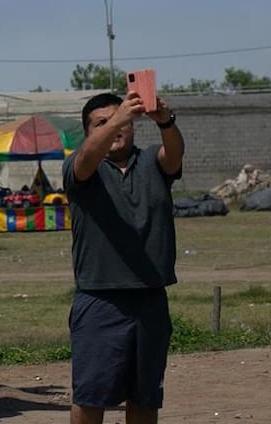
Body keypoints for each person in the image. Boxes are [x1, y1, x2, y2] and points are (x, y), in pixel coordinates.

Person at [63, 91, 185, 424]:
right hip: (100, 299)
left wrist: (166, 122)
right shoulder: (81, 166)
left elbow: (173, 157)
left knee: (145, 396)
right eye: (100, 123)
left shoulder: (150, 162)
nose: (115, 129)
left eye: (121, 122)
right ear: (87, 132)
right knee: (90, 396)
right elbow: (85, 162)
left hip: (150, 298)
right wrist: (117, 117)